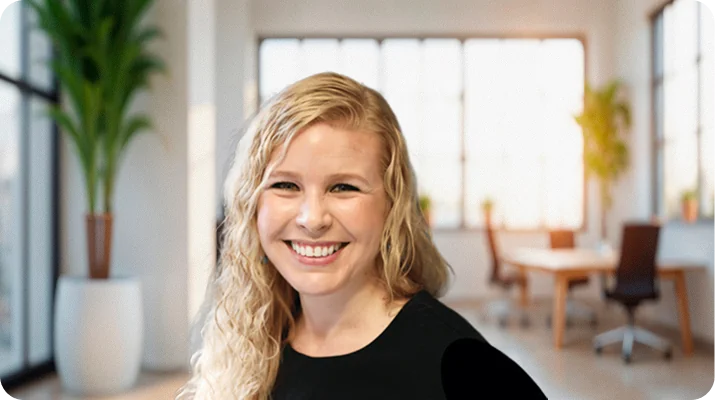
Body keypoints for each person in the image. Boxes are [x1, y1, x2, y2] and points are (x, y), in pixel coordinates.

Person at [177, 72, 546, 400]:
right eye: (286, 185)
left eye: (343, 187)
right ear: (252, 205)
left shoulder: (457, 363)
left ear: (391, 205)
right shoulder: (257, 340)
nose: (312, 219)